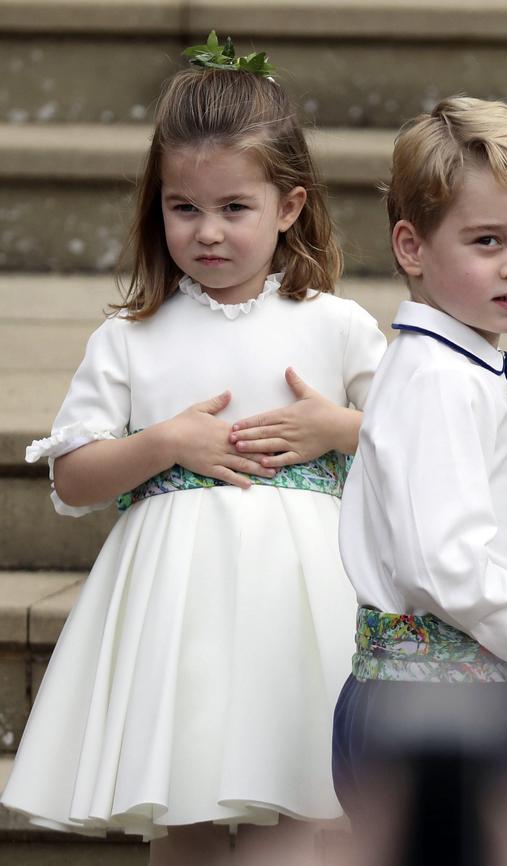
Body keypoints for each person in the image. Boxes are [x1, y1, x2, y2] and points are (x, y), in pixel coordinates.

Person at [1, 34, 386, 863]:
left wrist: (339, 430)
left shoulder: (334, 325)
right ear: (158, 205)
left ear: (288, 206)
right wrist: (164, 441)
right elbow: (75, 476)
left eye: (234, 209)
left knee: (298, 802)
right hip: (178, 612)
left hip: (303, 607)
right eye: (184, 209)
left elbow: (423, 444)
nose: (207, 232)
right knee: (186, 807)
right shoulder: (131, 338)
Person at [333, 97, 507, 866]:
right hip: (438, 707)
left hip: (443, 694)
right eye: (488, 241)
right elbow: (445, 560)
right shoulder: (438, 381)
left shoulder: (448, 366)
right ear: (411, 247)